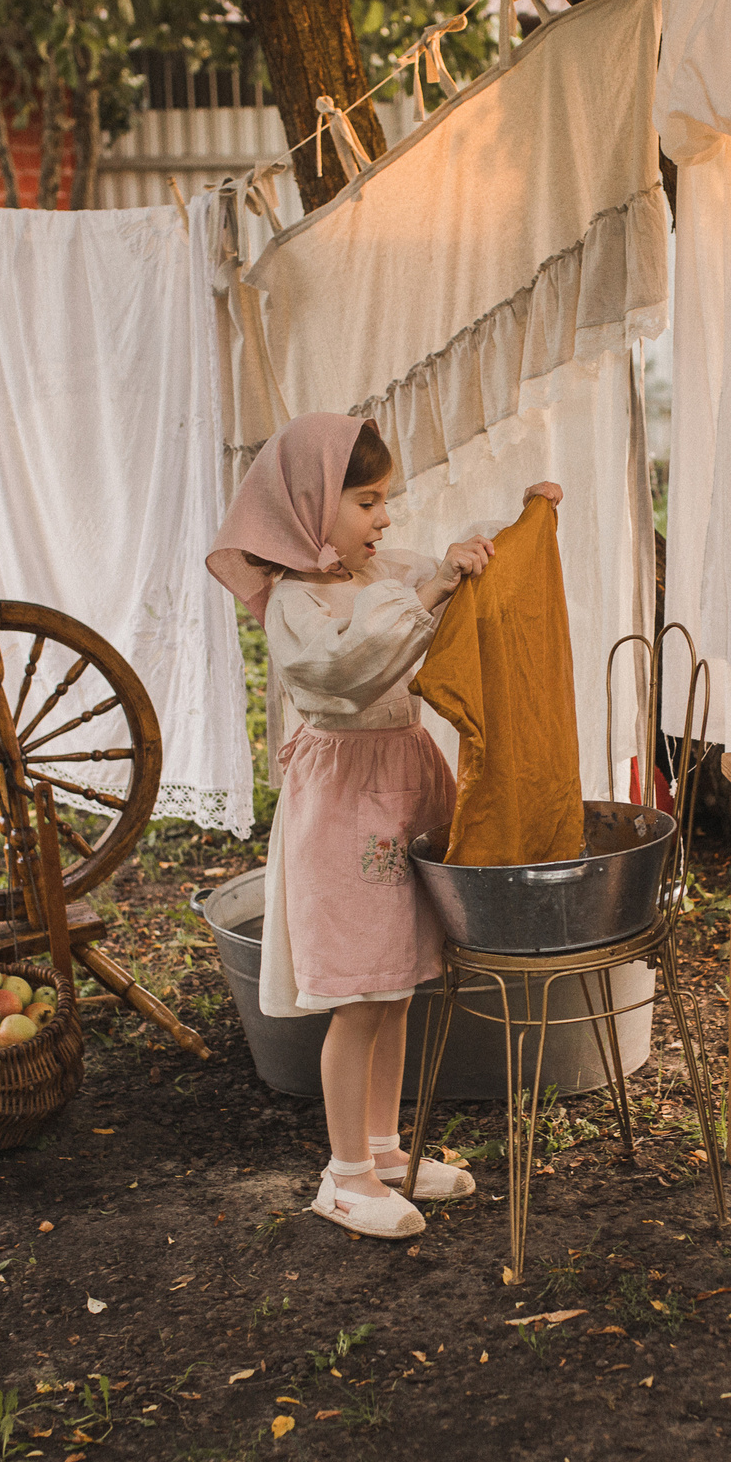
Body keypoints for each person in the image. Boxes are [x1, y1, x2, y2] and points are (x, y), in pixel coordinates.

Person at [208, 412, 561, 1240]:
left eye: (384, 499)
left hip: (402, 784)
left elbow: (451, 571)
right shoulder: (295, 603)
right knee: (359, 996)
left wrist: (513, 528)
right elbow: (346, 668)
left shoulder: (386, 572)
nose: (385, 516)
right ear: (309, 507)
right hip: (346, 800)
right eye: (366, 501)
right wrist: (431, 591)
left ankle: (382, 1150)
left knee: (397, 986)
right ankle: (343, 1175)